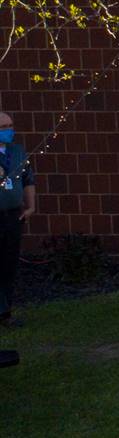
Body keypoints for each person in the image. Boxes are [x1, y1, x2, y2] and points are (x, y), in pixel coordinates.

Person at [0, 110, 34, 329]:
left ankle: (5, 312)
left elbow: (28, 179)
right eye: (3, 128)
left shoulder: (17, 152)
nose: (9, 131)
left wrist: (31, 205)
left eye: (10, 126)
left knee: (8, 264)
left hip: (13, 215)